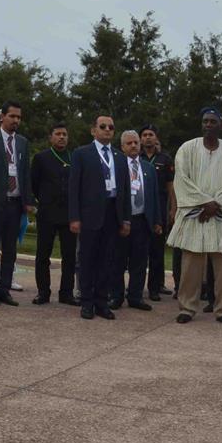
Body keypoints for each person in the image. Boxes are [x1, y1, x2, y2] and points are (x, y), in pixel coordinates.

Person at [170, 108, 222, 324]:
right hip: (196, 215)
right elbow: (182, 179)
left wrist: (216, 205)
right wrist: (205, 203)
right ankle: (187, 307)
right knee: (190, 268)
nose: (208, 125)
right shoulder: (187, 148)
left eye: (212, 121)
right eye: (205, 121)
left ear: (220, 124)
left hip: (221, 216)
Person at [68, 114, 131, 321]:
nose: (107, 130)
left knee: (107, 260)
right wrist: (74, 217)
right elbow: (74, 187)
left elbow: (125, 189)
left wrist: (126, 219)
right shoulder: (81, 154)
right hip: (89, 214)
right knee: (87, 259)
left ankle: (101, 301)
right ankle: (86, 302)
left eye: (111, 127)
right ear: (93, 130)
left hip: (113, 213)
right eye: (102, 126)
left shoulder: (120, 157)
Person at [0, 100, 32, 306]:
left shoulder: (22, 142)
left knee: (10, 249)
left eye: (19, 117)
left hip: (15, 203)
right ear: (2, 116)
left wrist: (28, 201)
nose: (16, 120)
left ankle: (4, 288)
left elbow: (25, 173)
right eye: (12, 116)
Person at [112, 129, 162, 311]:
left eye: (136, 143)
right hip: (123, 221)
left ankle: (135, 296)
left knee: (140, 262)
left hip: (143, 221)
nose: (133, 146)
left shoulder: (148, 168)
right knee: (118, 261)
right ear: (122, 146)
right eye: (129, 143)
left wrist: (157, 220)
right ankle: (116, 296)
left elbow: (154, 196)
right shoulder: (117, 165)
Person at [30, 122, 77, 305]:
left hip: (68, 214)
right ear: (51, 137)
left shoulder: (74, 157)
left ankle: (66, 293)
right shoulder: (42, 158)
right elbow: (34, 184)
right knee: (43, 254)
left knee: (69, 256)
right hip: (47, 213)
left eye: (64, 134)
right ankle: (43, 291)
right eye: (58, 134)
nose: (62, 137)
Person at [139, 125, 173, 300]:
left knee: (157, 251)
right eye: (144, 135)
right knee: (139, 252)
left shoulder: (164, 159)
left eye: (150, 135)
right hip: (139, 210)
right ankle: (136, 288)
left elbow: (170, 186)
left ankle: (155, 287)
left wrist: (172, 209)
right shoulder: (136, 157)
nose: (147, 138)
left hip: (159, 209)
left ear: (156, 137)